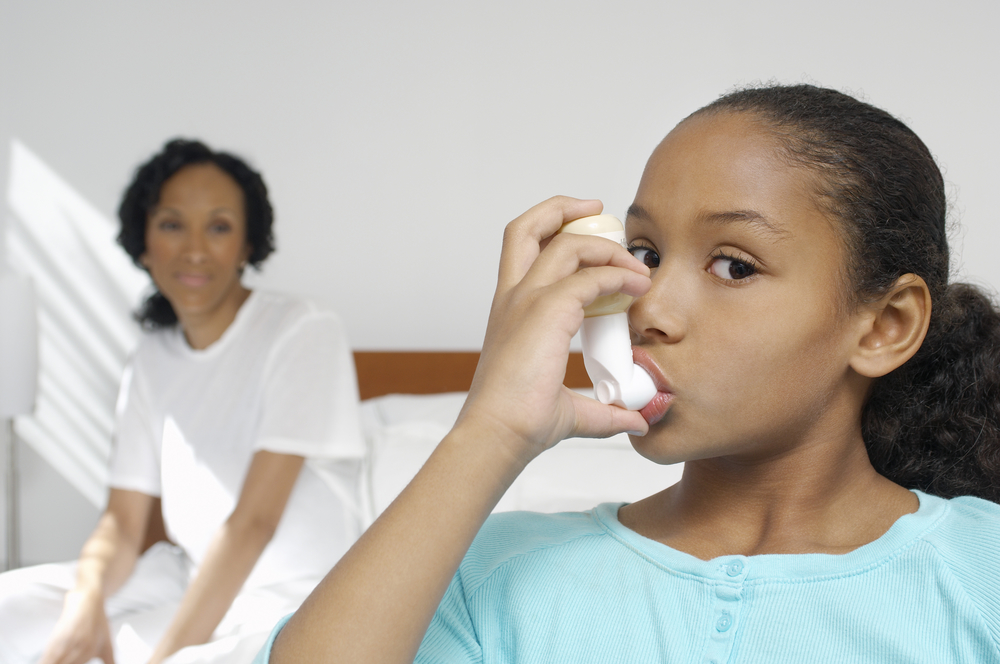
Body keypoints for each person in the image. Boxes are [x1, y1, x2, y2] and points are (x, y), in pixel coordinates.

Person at [254, 84, 1000, 663]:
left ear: (885, 325)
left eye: (733, 265)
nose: (650, 306)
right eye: (643, 254)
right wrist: (490, 430)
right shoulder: (495, 572)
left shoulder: (981, 573)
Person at [0, 139, 367, 664]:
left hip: (292, 594)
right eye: (173, 225)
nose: (194, 249)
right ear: (143, 243)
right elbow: (122, 524)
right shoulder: (150, 359)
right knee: (10, 611)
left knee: (134, 652)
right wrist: (85, 602)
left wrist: (167, 654)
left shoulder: (302, 329)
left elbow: (253, 524)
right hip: (186, 574)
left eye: (218, 227)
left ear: (247, 246)